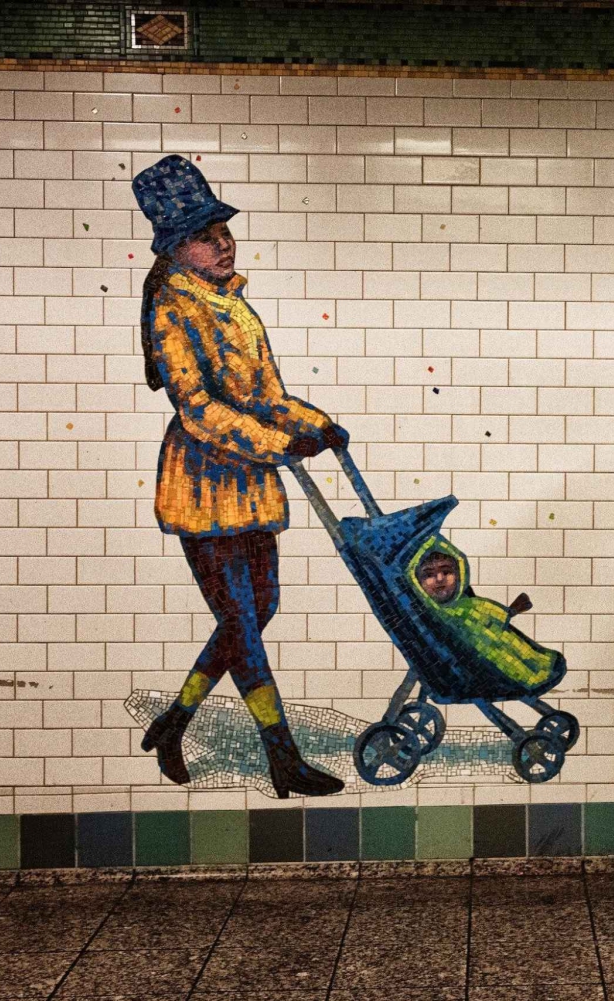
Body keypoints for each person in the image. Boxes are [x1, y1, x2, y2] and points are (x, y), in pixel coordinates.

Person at [131, 154, 348, 799]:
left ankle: (175, 721)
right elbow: (196, 408)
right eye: (205, 236)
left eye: (223, 230)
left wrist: (315, 424)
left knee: (259, 609)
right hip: (203, 483)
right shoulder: (172, 309)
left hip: (250, 479)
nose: (222, 244)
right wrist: (276, 441)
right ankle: (283, 756)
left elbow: (269, 394)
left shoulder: (234, 304)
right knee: (244, 621)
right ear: (176, 250)